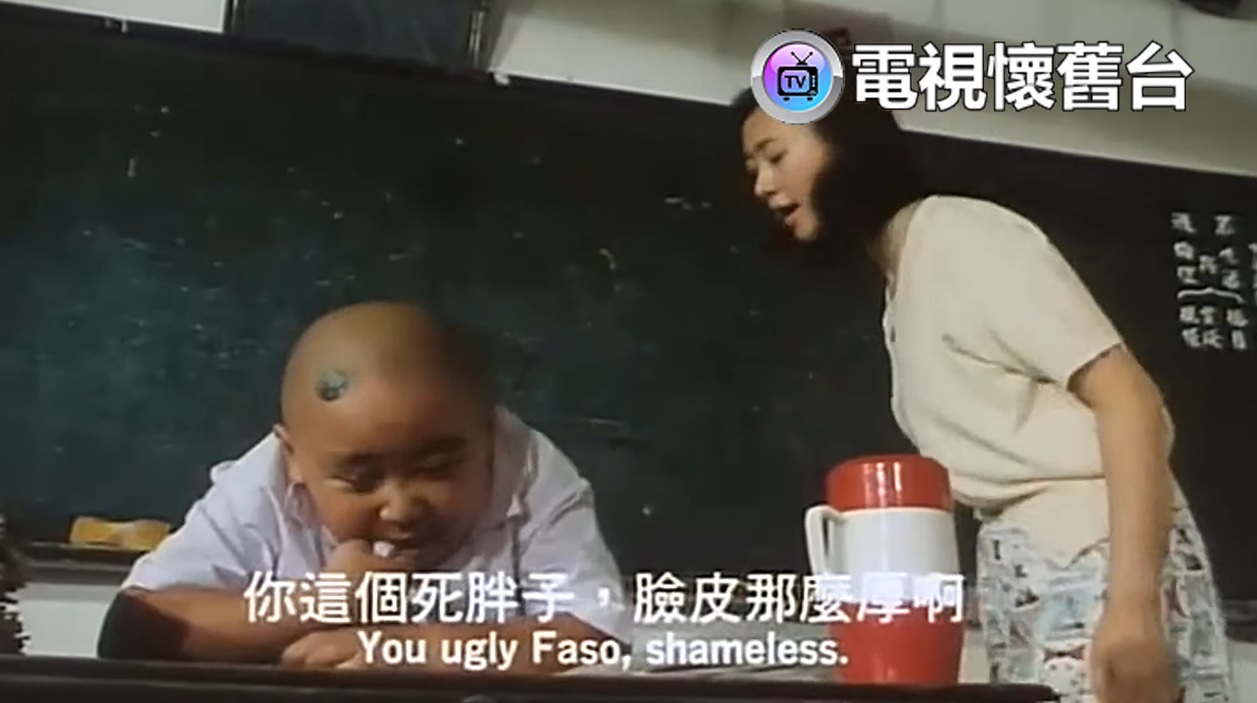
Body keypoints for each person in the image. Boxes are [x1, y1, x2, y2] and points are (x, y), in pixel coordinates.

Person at [733, 80, 1234, 703]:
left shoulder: (958, 235)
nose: (763, 186)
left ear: (848, 147)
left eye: (776, 156)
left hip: (1098, 560)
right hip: (1033, 573)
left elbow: (1130, 399)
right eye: (753, 169)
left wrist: (1132, 607)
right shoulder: (904, 276)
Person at [100, 301, 630, 672]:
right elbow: (135, 630)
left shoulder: (529, 466)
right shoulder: (266, 478)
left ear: (489, 437)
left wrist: (407, 650)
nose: (402, 508)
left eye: (438, 468)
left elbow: (595, 636)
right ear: (293, 458)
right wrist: (321, 603)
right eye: (360, 480)